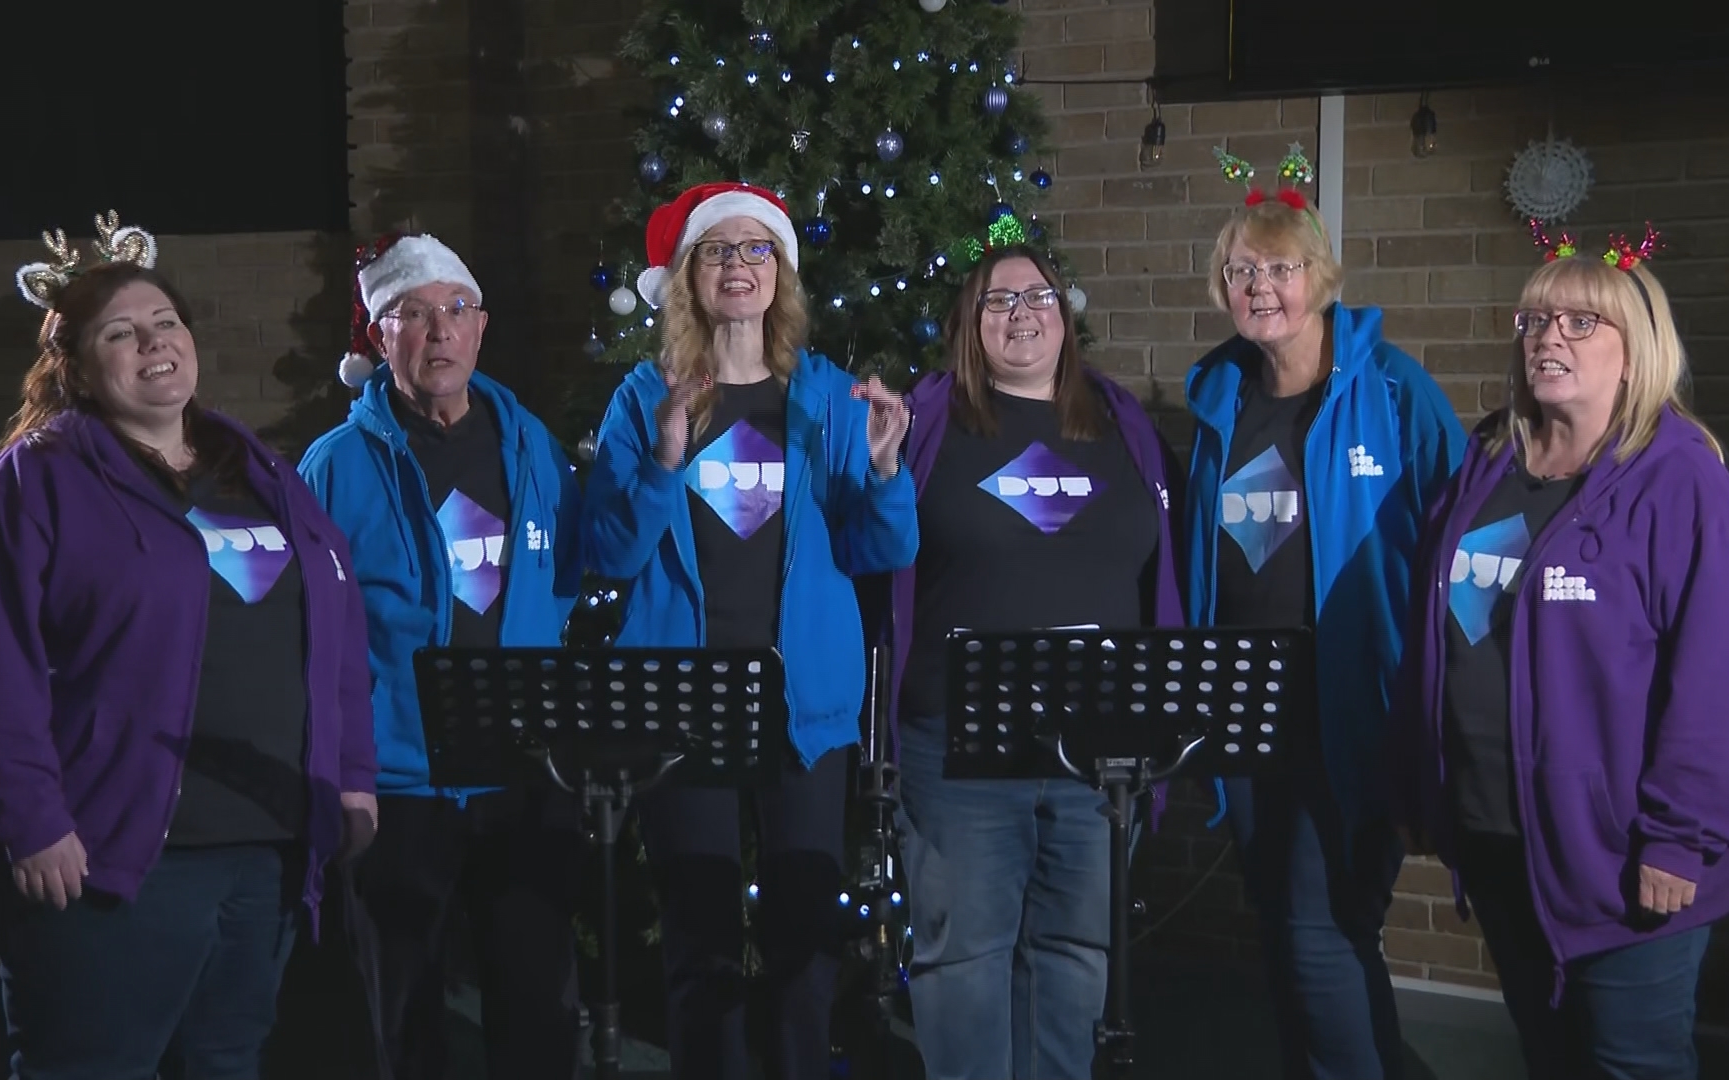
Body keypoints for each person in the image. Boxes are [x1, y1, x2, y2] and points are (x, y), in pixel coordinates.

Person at [0, 213, 379, 1080]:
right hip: (111, 859)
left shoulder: (256, 471)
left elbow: (334, 632)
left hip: (265, 845)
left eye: (165, 323)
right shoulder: (31, 485)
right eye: (121, 332)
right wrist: (30, 824)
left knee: (228, 1060)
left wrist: (351, 780)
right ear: (73, 363)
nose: (153, 343)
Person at [1389, 236, 1729, 1080]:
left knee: (1631, 1064)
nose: (1548, 337)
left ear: (1637, 352)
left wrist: (1682, 837)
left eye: (1580, 321)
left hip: (1628, 856)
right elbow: (1440, 640)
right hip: (1498, 837)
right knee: (1551, 1057)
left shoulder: (1679, 480)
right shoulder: (1488, 461)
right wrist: (1427, 785)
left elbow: (1725, 679)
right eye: (1534, 319)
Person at [582, 181, 917, 1080]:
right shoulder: (643, 398)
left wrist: (884, 469)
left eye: (756, 249)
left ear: (781, 274)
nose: (739, 266)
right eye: (719, 251)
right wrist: (663, 459)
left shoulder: (825, 397)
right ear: (688, 275)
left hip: (801, 705)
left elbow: (878, 549)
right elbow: (607, 555)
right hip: (679, 707)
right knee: (702, 948)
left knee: (806, 944)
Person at [1183, 147, 1466, 1080]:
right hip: (1244, 707)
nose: (1261, 286)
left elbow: (1464, 537)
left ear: (1322, 277)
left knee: (1318, 926)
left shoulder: (1391, 391)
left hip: (1354, 711)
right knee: (1294, 926)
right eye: (1242, 270)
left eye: (1281, 268)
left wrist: (1444, 706)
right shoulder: (1219, 397)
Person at [883, 243, 1185, 1080]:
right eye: (996, 300)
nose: (1021, 312)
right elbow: (872, 553)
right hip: (958, 752)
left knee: (1077, 955)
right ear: (968, 328)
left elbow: (1164, 568)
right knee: (964, 963)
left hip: (1098, 755)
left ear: (1067, 315)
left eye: (1038, 295)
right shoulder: (923, 423)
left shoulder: (1125, 424)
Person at [298, 233, 586, 1080]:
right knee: (406, 1025)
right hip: (398, 787)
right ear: (378, 338)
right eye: (412, 315)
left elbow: (563, 582)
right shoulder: (335, 468)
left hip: (525, 776)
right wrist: (344, 778)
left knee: (536, 1013)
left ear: (481, 328)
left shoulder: (532, 445)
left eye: (455, 311)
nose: (438, 332)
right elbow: (316, 637)